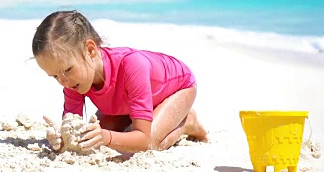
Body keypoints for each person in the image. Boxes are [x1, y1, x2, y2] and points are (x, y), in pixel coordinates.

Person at [32, 10, 208, 154]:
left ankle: (187, 122)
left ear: (90, 50)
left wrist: (106, 137)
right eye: (54, 76)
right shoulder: (72, 80)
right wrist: (63, 139)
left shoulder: (132, 65)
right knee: (93, 136)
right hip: (128, 99)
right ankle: (140, 116)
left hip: (178, 88)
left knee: (151, 144)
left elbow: (143, 139)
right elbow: (76, 133)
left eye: (66, 70)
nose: (62, 82)